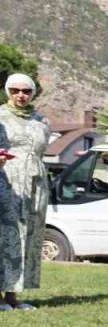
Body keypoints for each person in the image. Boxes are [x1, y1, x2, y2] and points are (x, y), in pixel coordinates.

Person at [0, 73, 51, 311]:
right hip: (7, 180)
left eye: (26, 91)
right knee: (6, 236)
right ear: (7, 91)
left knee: (26, 237)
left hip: (35, 183)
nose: (21, 95)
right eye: (15, 90)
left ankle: (13, 296)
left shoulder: (41, 120)